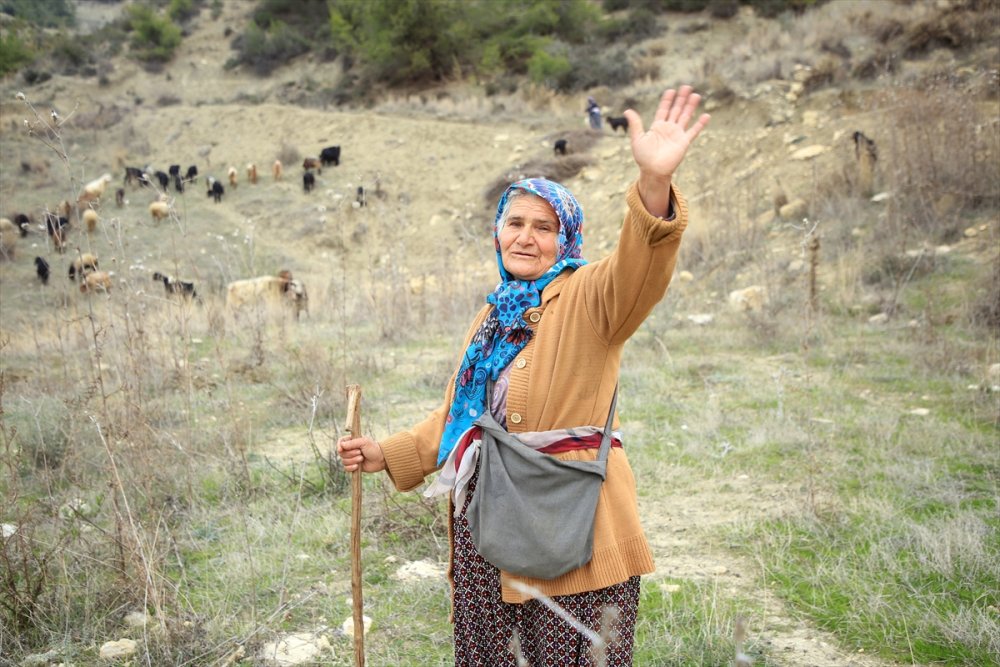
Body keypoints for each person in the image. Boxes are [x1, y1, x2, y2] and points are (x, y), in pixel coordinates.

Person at [337, 85, 710, 666]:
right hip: (488, 525)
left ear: (567, 238)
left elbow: (641, 268)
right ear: (497, 231)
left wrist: (654, 185)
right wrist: (387, 453)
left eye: (544, 226)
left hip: (569, 522)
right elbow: (464, 419)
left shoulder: (591, 297)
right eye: (515, 222)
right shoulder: (494, 315)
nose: (525, 237)